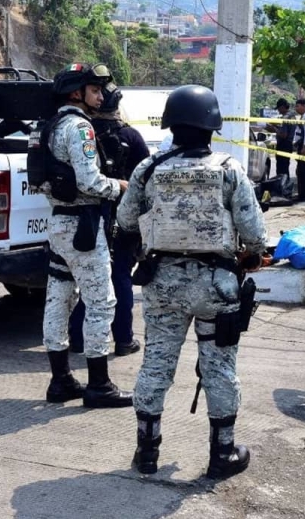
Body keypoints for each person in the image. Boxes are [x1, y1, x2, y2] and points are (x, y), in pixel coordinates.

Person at [117, 84, 268, 479]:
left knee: (156, 364)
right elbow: (254, 233)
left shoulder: (147, 169)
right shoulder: (227, 169)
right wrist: (251, 252)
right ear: (212, 127)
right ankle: (223, 454)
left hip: (162, 284)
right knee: (219, 367)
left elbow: (126, 221)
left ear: (170, 125)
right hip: (216, 285)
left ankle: (147, 451)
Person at [39, 63, 133, 409]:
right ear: (77, 93)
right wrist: (120, 186)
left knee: (58, 300)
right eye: (94, 89)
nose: (100, 95)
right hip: (84, 227)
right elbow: (90, 182)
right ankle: (99, 385)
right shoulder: (80, 127)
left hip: (59, 223)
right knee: (101, 303)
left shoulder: (49, 125)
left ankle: (61, 380)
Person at [68, 81, 150, 357]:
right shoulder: (133, 137)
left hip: (87, 217)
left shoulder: (81, 134)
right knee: (120, 276)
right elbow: (145, 182)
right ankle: (124, 339)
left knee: (91, 281)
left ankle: (77, 340)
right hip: (123, 218)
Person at [268, 98, 296, 177]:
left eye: (279, 109)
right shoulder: (292, 116)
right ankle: (285, 186)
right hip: (289, 145)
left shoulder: (285, 118)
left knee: (281, 169)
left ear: (283, 107)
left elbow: (283, 135)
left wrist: (273, 128)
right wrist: (276, 126)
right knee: (285, 168)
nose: (278, 111)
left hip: (283, 145)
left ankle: (281, 187)